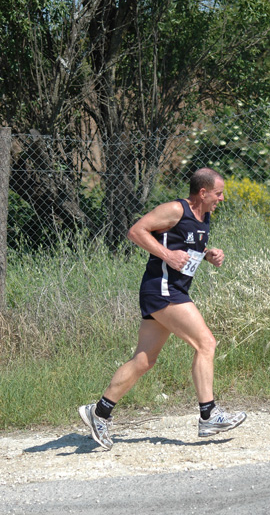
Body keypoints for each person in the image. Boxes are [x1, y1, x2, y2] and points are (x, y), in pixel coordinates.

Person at [79, 167, 246, 450]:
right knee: (206, 343)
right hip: (162, 290)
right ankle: (208, 414)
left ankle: (99, 412)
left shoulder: (203, 217)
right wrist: (167, 255)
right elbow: (136, 231)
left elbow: (185, 246)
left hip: (170, 290)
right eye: (218, 194)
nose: (221, 199)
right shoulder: (174, 209)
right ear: (203, 192)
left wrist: (208, 255)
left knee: (144, 361)